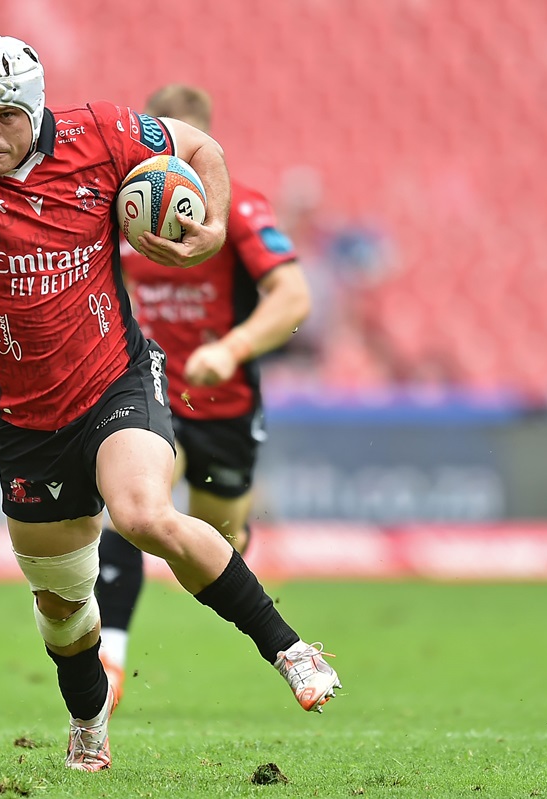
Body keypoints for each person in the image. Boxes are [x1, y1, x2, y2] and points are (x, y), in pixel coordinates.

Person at [0, 36, 341, 773]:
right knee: (61, 607)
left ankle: (291, 648)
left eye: (5, 115)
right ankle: (89, 721)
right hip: (26, 420)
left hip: (118, 377)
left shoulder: (104, 133)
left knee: (143, 513)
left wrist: (210, 226)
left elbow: (200, 145)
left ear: (36, 107)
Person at [94, 83, 314, 700]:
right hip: (152, 388)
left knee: (222, 541)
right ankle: (110, 653)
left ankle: (229, 565)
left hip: (224, 402)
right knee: (131, 505)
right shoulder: (124, 211)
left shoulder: (239, 210)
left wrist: (231, 349)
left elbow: (294, 297)